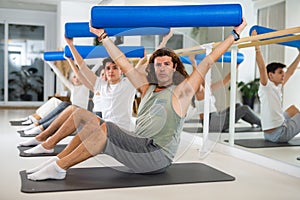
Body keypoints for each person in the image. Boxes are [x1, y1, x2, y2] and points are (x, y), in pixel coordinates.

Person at [26, 18, 247, 181]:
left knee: (107, 129)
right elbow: (122, 61)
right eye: (158, 63)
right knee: (90, 119)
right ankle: (57, 161)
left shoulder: (182, 91)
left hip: (157, 156)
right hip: (139, 146)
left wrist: (234, 35)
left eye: (167, 64)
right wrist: (103, 37)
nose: (161, 67)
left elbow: (208, 62)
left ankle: (59, 166)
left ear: (175, 68)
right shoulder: (146, 88)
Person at [20, 59, 95, 135]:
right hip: (71, 113)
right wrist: (50, 63)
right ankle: (37, 123)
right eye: (74, 77)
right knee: (64, 104)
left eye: (78, 77)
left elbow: (92, 72)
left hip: (79, 116)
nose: (76, 79)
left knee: (68, 107)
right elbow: (60, 76)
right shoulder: (73, 88)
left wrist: (101, 61)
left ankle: (41, 127)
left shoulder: (86, 86)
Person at [187, 55, 261, 132]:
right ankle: (263, 124)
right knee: (244, 109)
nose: (211, 79)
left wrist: (236, 66)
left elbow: (225, 80)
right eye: (209, 78)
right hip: (211, 123)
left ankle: (254, 122)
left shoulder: (209, 89)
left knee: (238, 105)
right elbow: (197, 77)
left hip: (215, 118)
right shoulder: (200, 91)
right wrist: (193, 63)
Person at [252, 29, 300, 143]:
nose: (283, 75)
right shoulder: (266, 86)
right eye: (280, 73)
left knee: (293, 109)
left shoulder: (277, 86)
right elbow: (262, 67)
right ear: (270, 75)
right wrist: (256, 44)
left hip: (268, 134)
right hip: (279, 134)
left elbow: (290, 71)